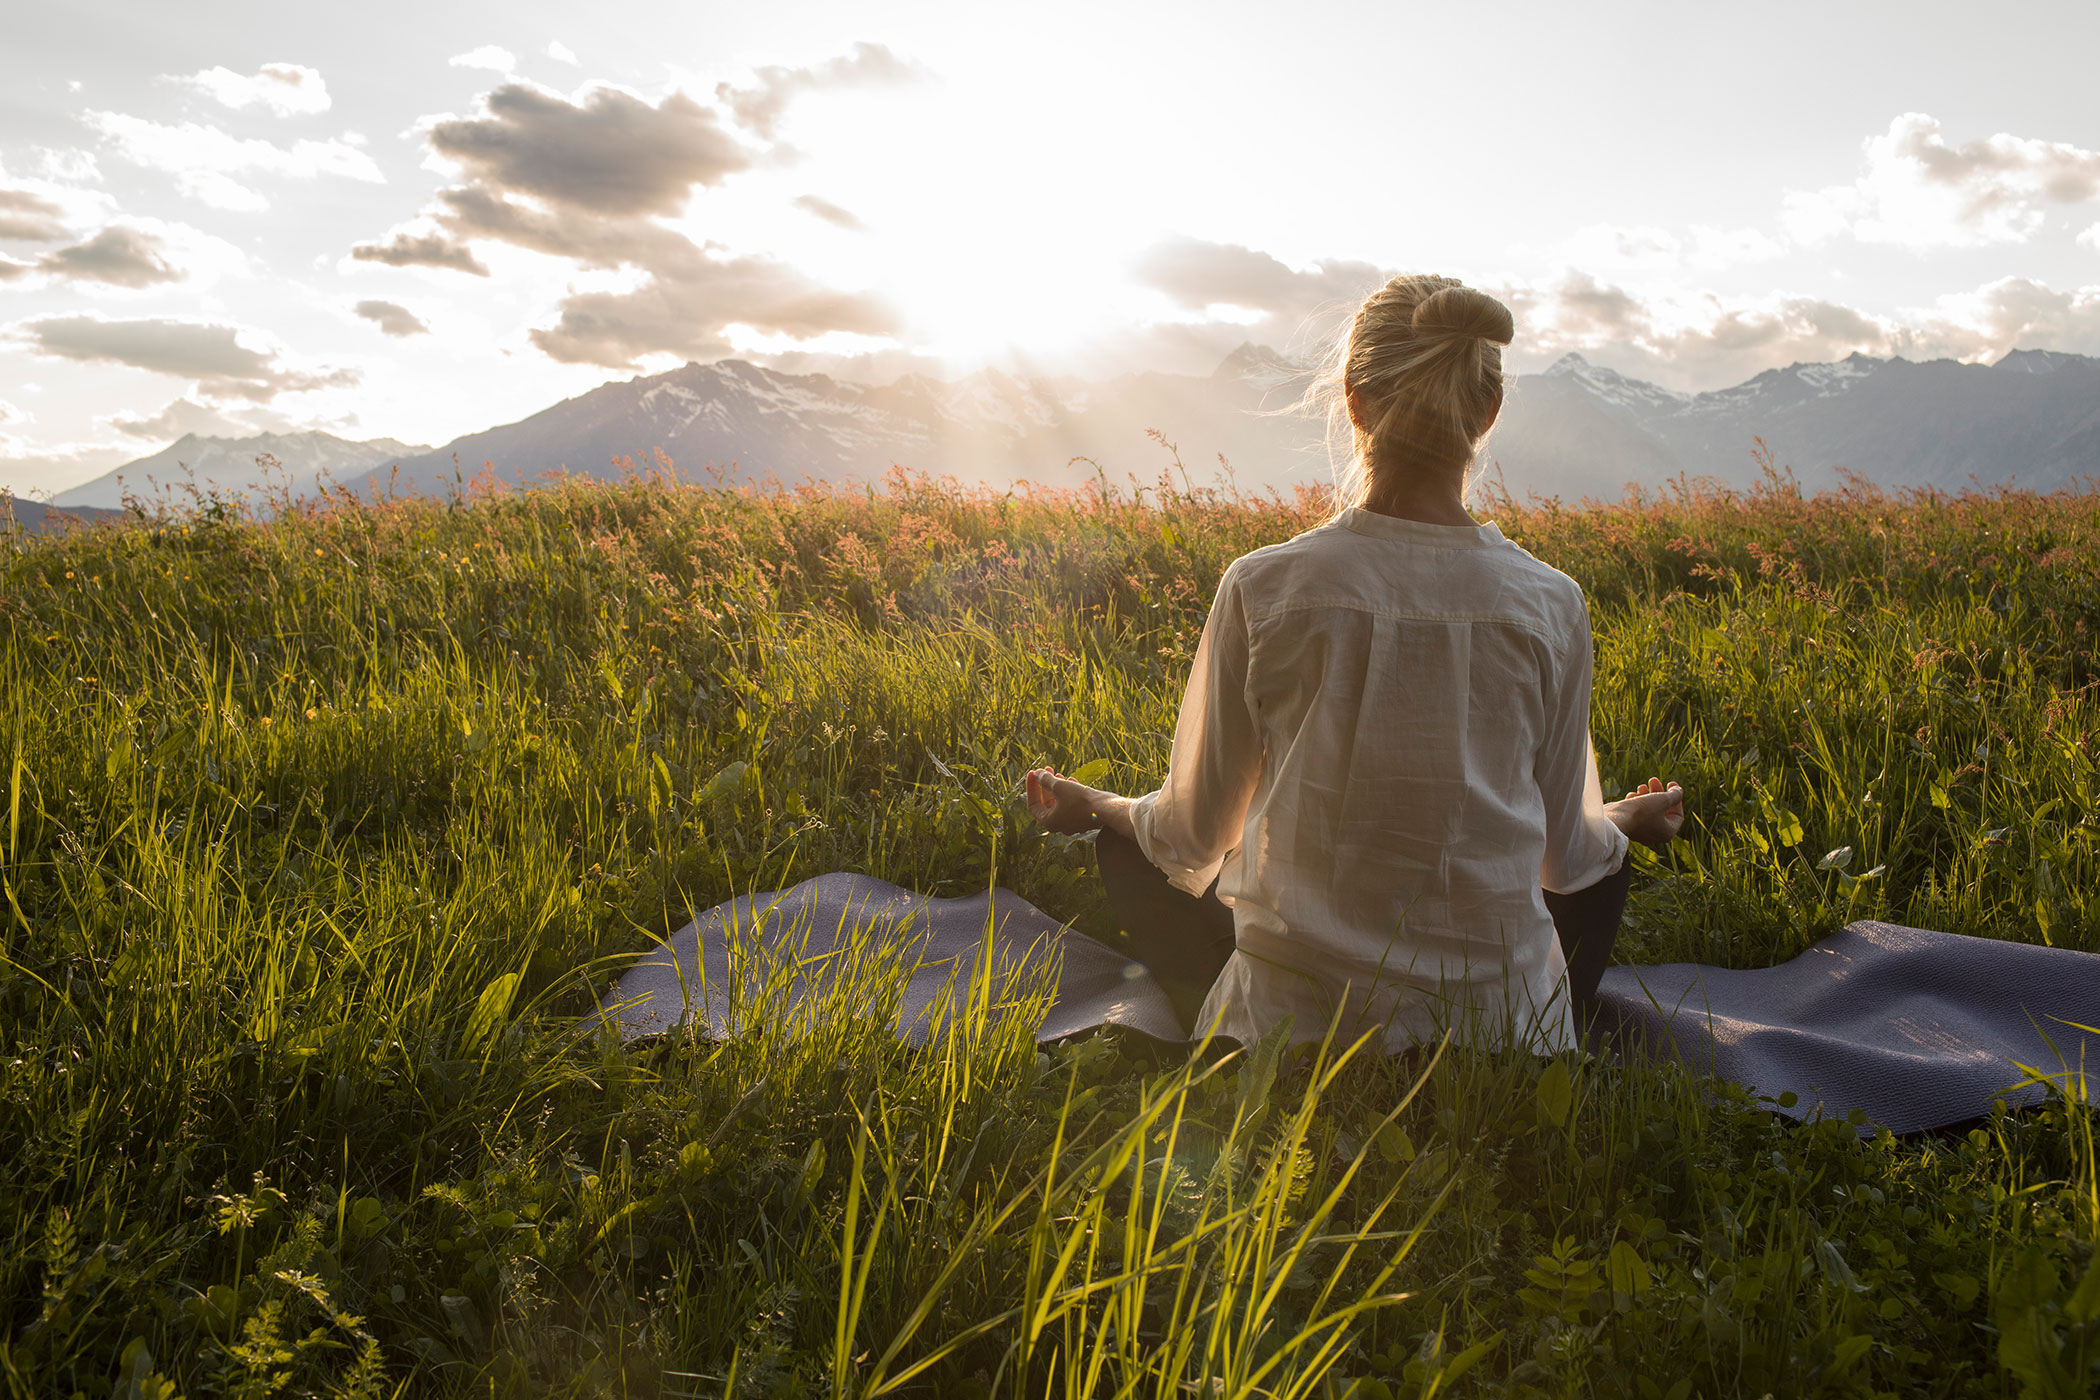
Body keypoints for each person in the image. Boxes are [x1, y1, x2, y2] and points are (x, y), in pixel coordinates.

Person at [1024, 274, 1686, 1053]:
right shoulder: (1551, 603)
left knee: (1133, 849)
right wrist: (1625, 822)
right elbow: (1563, 861)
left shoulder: (1264, 587)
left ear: (1353, 399)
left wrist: (1095, 804)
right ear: (1489, 413)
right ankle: (1539, 1026)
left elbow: (1193, 835)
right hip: (1498, 1035)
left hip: (1293, 1029)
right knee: (1603, 869)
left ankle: (1223, 1026)